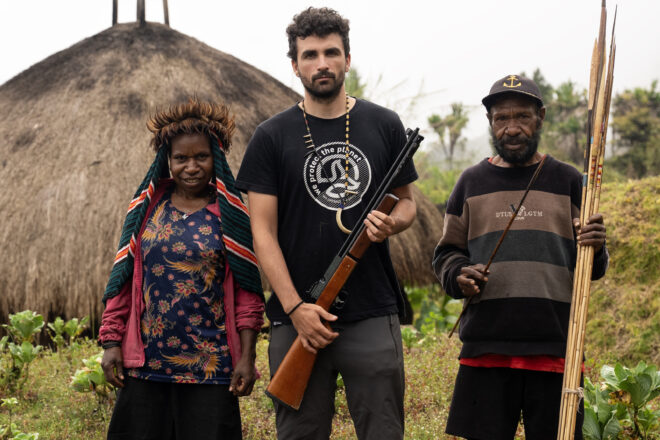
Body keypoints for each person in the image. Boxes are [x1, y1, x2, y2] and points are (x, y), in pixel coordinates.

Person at [235, 7, 417, 440]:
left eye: (331, 53)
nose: (322, 64)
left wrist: (393, 225)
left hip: (372, 311)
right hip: (295, 317)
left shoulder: (384, 124)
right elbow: (262, 232)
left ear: (347, 60)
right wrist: (296, 309)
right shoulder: (271, 136)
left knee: (383, 432)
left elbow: (407, 204)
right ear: (295, 65)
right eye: (311, 54)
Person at [433, 74, 609, 440]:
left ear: (540, 117)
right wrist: (459, 274)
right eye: (502, 119)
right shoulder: (470, 182)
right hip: (486, 348)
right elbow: (446, 252)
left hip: (556, 347)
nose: (512, 128)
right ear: (490, 122)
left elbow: (591, 269)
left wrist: (596, 245)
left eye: (523, 118)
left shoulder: (569, 181)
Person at [99, 98, 264, 440]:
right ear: (167, 161)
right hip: (146, 368)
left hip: (212, 368)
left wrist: (247, 358)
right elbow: (122, 282)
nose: (192, 167)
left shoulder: (231, 216)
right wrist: (111, 342)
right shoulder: (147, 209)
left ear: (215, 158)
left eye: (201, 157)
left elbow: (248, 296)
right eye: (181, 158)